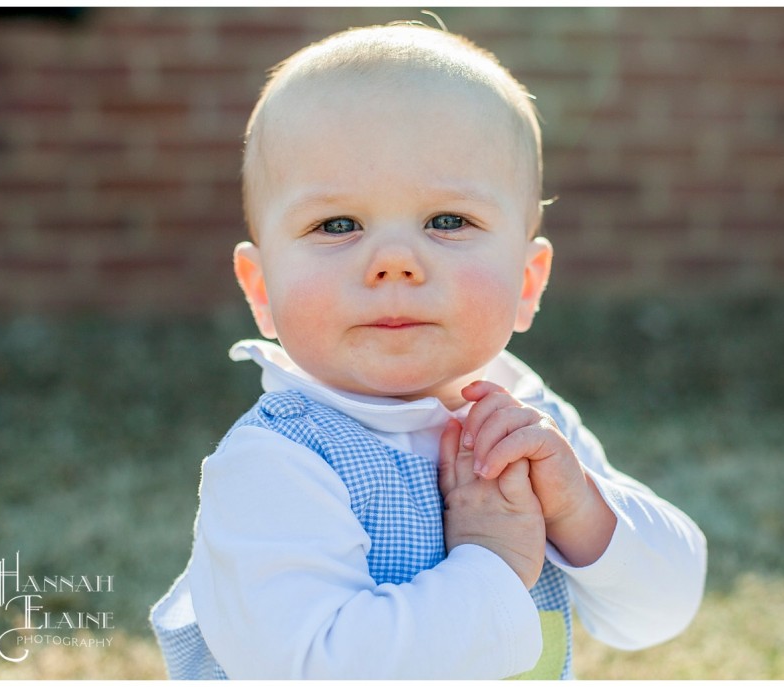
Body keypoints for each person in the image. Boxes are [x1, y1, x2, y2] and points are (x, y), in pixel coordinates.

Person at [150, 20, 707, 680]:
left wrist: (583, 510)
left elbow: (660, 611)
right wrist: (494, 560)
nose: (393, 261)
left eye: (448, 221)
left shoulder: (526, 421)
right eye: (336, 224)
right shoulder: (276, 466)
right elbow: (317, 666)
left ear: (527, 284)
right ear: (261, 289)